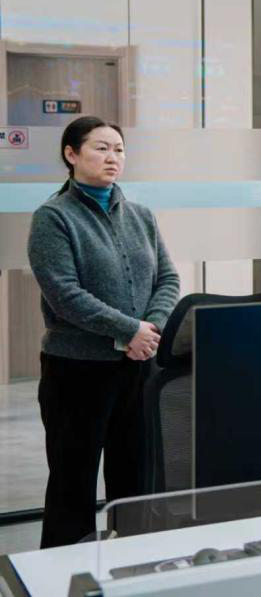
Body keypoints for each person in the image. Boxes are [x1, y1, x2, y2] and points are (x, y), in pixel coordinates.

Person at [27, 116, 180, 547]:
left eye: (119, 149)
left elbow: (168, 278)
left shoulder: (141, 216)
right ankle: (61, 571)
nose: (113, 157)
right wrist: (129, 330)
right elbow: (64, 294)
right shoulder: (54, 217)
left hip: (139, 367)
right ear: (71, 154)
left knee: (135, 478)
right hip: (76, 369)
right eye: (101, 148)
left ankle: (132, 561)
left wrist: (151, 330)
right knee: (72, 482)